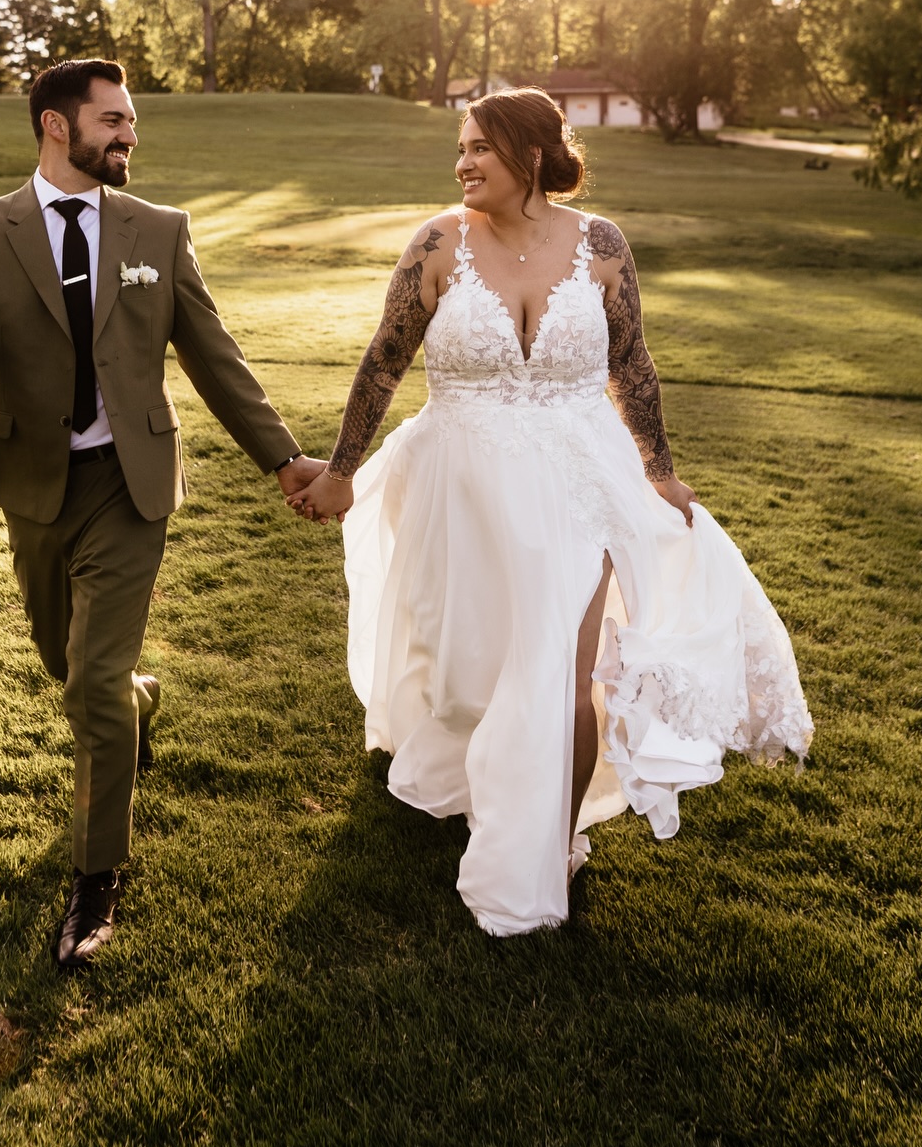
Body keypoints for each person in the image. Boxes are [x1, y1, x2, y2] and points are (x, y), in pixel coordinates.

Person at [293, 88, 813, 936]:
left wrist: (661, 471)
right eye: (459, 149)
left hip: (581, 484)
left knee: (564, 676)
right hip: (460, 482)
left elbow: (632, 367)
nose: (462, 164)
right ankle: (473, 775)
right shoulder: (437, 243)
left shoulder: (601, 243)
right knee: (472, 671)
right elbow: (382, 364)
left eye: (478, 150)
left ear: (530, 156)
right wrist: (343, 470)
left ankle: (552, 844)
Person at [0, 60, 325, 969]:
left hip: (133, 482)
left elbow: (214, 355)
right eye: (114, 121)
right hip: (34, 484)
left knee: (89, 679)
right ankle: (138, 704)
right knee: (69, 663)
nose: (130, 135)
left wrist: (284, 459)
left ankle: (95, 884)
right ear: (57, 125)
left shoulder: (159, 232)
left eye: (132, 122)